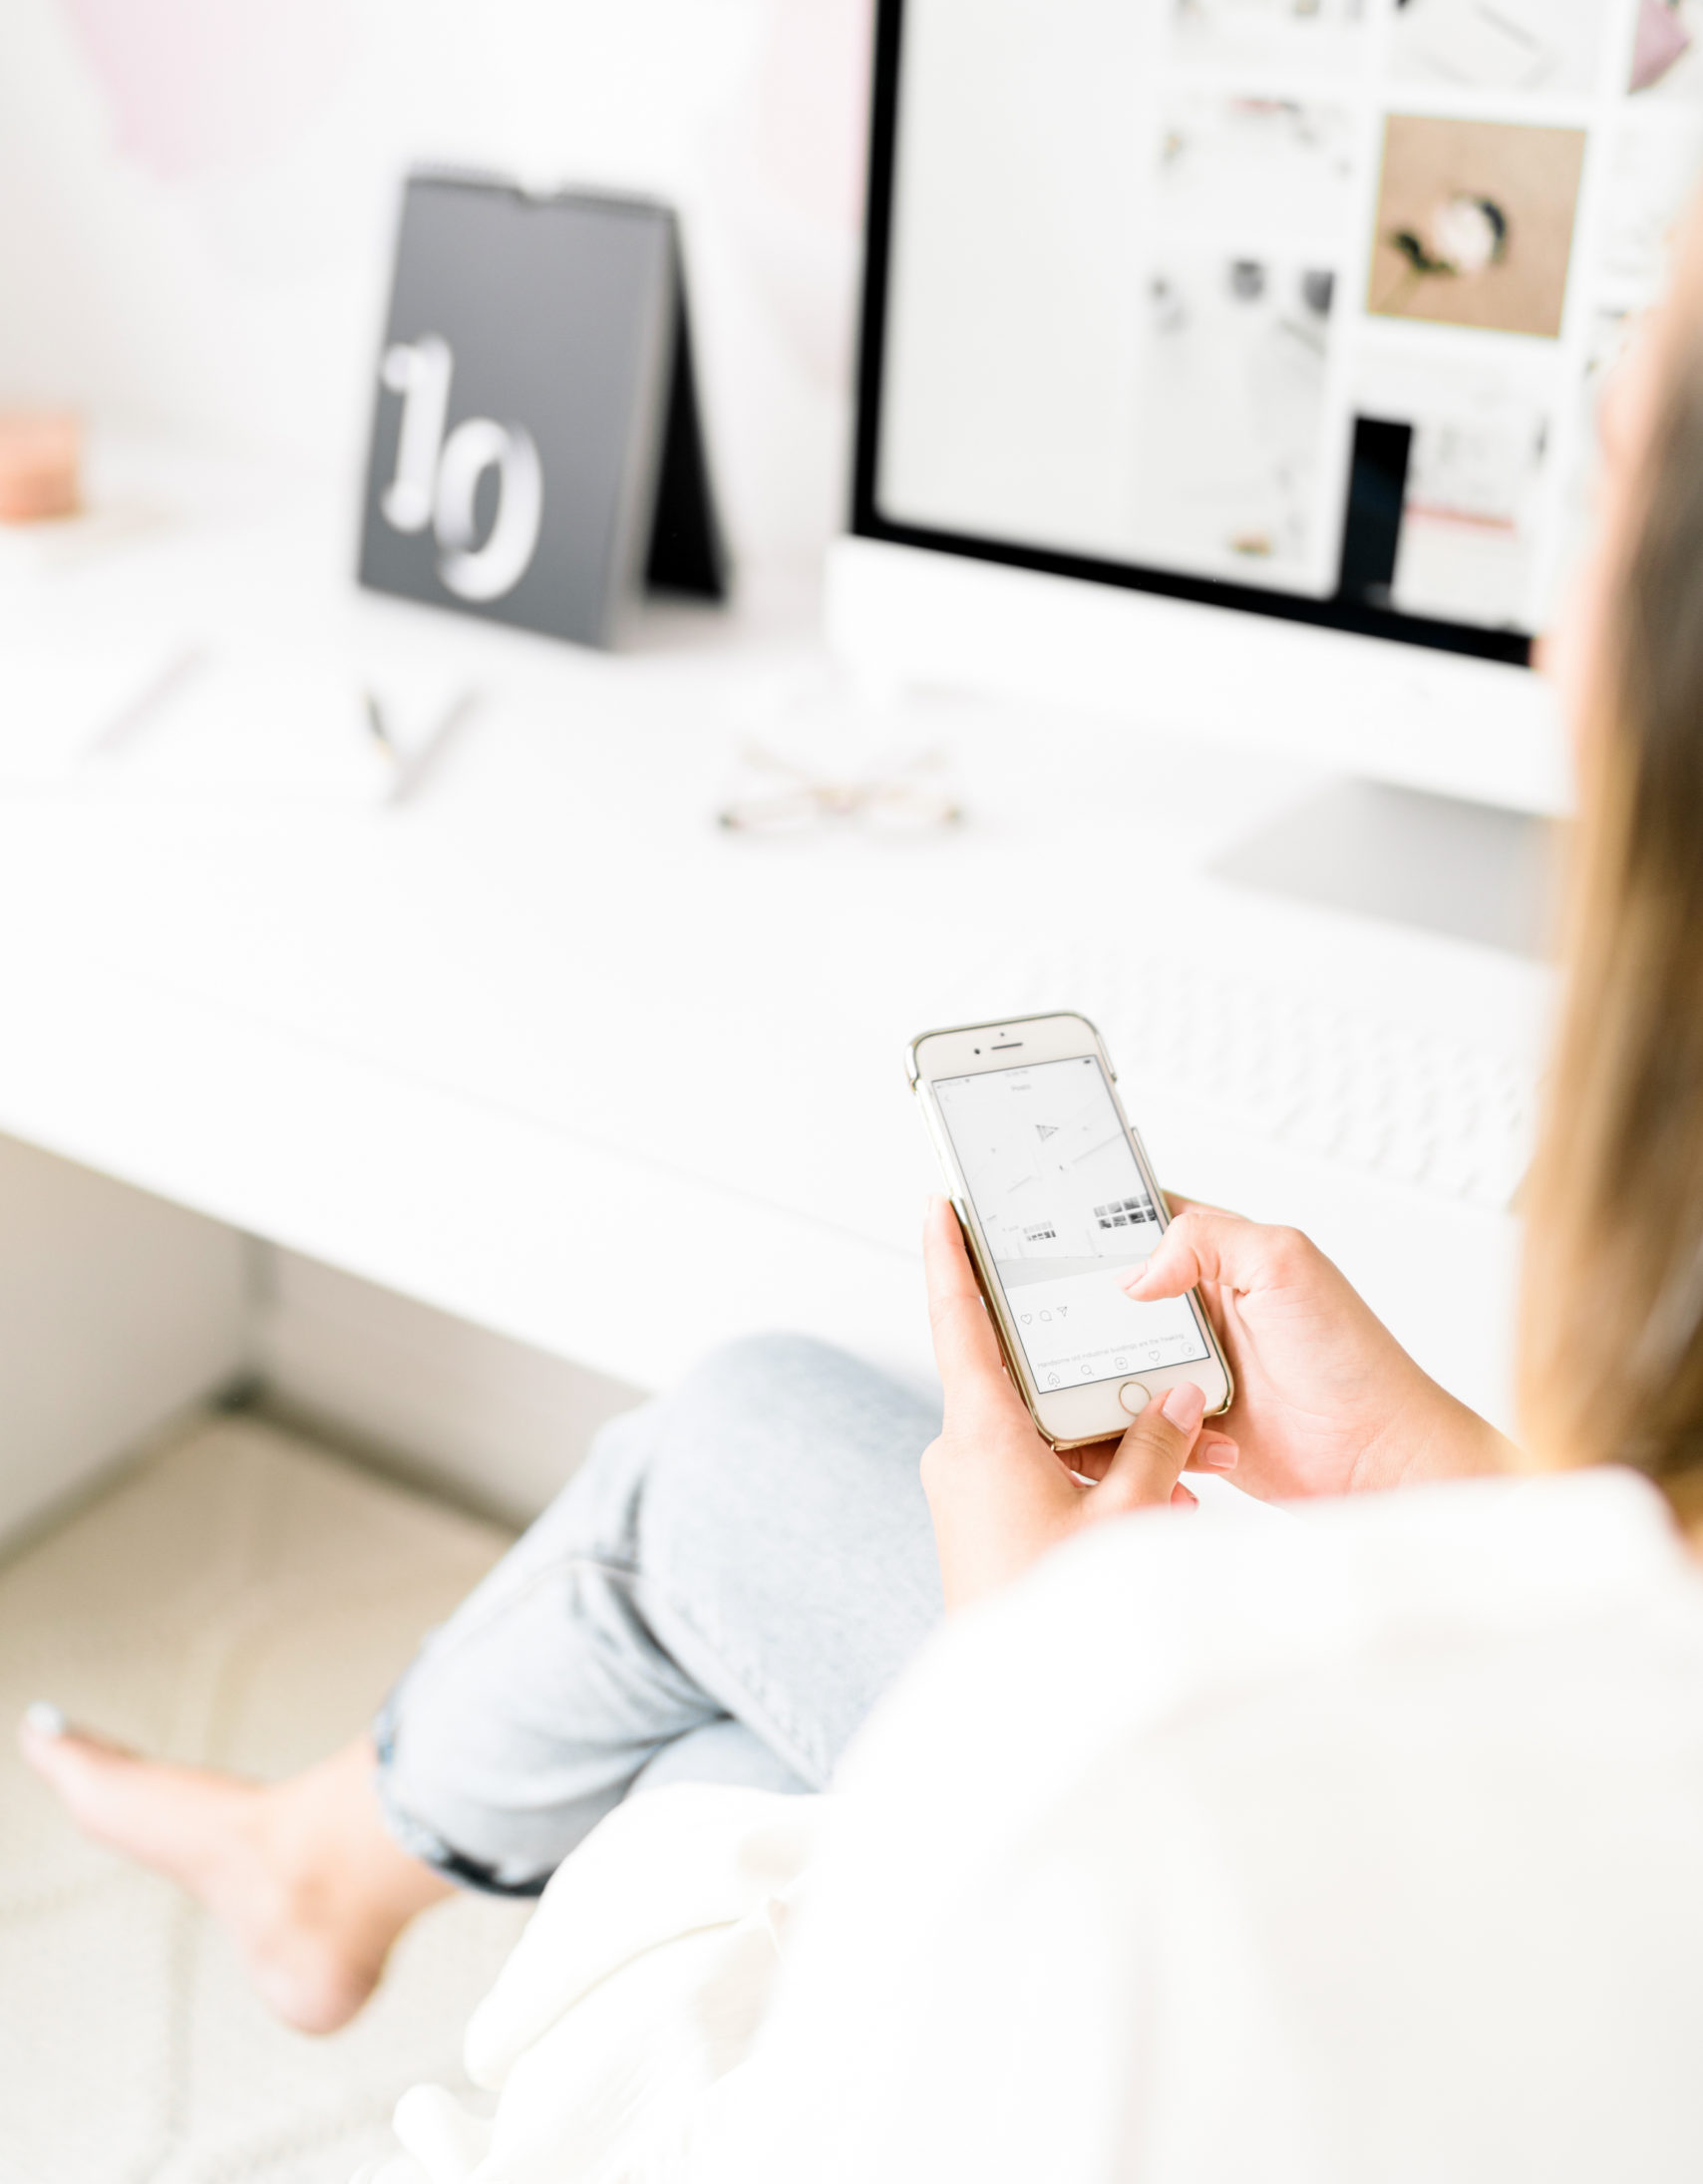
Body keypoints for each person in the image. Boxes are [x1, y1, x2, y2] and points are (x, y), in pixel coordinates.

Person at [20, 207, 1703, 2171]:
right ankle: (322, 1854)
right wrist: (1450, 1477)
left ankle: (316, 1864)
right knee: (737, 1438)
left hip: (1313, 1908)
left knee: (707, 1716)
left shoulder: (1162, 1788)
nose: (1544, 612)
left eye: (1596, 463)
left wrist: (1036, 1677)